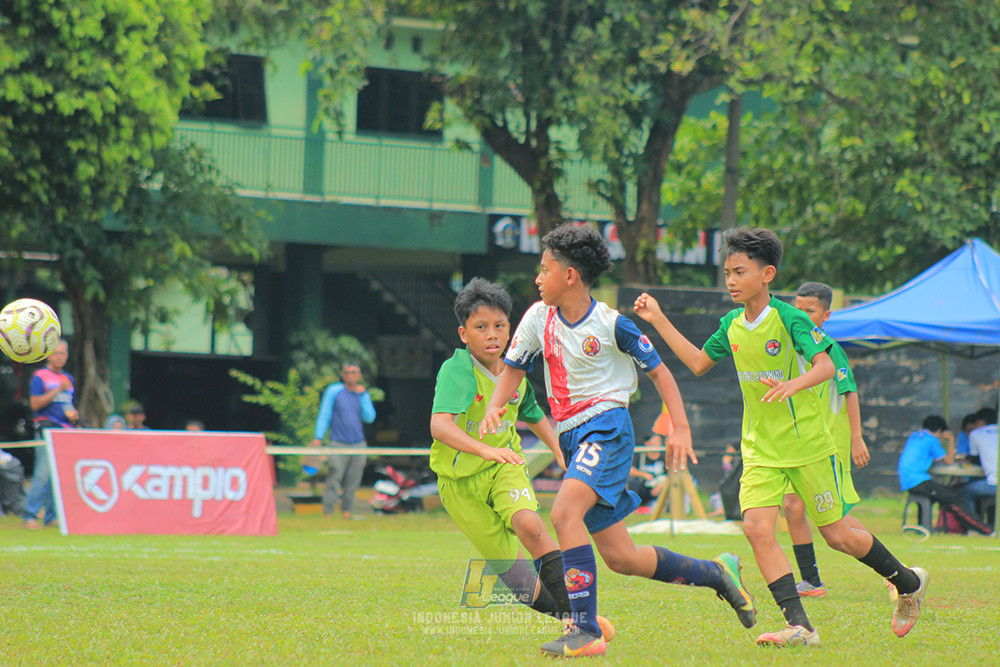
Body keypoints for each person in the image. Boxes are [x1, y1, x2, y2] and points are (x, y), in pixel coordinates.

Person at [634, 227, 928, 647]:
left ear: (766, 273)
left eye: (739, 271)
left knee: (839, 535)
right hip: (760, 448)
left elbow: (826, 367)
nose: (730, 280)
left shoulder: (790, 318)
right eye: (727, 272)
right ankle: (800, 626)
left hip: (807, 446)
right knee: (756, 528)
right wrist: (659, 319)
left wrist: (795, 383)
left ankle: (908, 583)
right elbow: (698, 363)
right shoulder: (731, 324)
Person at [480, 223, 756, 658]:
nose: (537, 278)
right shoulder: (537, 317)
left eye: (544, 268)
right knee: (621, 557)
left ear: (569, 276)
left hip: (606, 428)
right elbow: (514, 367)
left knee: (565, 512)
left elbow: (661, 373)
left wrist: (680, 429)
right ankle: (718, 573)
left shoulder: (613, 325)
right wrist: (497, 405)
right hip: (572, 434)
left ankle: (586, 629)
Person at [429, 277, 614, 640]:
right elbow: (439, 427)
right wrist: (484, 448)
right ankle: (566, 616)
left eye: (500, 326)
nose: (492, 335)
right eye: (481, 327)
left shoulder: (515, 375)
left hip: (504, 468)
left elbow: (534, 415)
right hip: (460, 485)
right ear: (464, 334)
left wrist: (560, 449)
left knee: (531, 526)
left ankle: (581, 621)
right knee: (517, 581)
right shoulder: (458, 370)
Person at [781, 281, 872, 598]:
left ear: (826, 314)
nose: (802, 315)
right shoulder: (790, 345)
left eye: (810, 310)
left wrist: (856, 438)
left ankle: (894, 569)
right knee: (792, 508)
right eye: (797, 309)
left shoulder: (831, 350)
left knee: (838, 518)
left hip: (829, 444)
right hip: (799, 443)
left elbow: (850, 393)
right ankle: (811, 581)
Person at [898, 415, 991, 535]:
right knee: (955, 497)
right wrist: (951, 439)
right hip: (918, 481)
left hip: (908, 481)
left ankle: (925, 526)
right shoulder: (931, 440)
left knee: (948, 493)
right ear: (940, 431)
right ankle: (984, 530)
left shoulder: (915, 436)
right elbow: (949, 461)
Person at [24, 339, 77, 529]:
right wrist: (56, 390)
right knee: (43, 473)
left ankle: (51, 515)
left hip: (64, 430)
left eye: (63, 353)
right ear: (48, 355)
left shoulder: (69, 379)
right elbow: (35, 404)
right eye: (56, 353)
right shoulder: (41, 376)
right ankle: (30, 515)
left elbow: (68, 404)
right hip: (46, 428)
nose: (60, 356)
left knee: (59, 474)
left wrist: (73, 415)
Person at [312, 362, 376, 519]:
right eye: (348, 372)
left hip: (358, 444)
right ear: (342, 375)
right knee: (335, 476)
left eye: (354, 372)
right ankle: (328, 511)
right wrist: (318, 437)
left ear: (359, 376)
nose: (351, 375)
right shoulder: (334, 391)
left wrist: (363, 397)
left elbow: (370, 417)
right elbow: (324, 414)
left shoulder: (362, 394)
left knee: (353, 479)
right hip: (337, 442)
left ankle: (346, 511)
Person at [964, 407, 998, 519]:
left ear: (981, 421)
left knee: (965, 491)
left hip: (994, 484)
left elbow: (974, 458)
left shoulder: (976, 434)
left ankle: (974, 526)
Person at [627, 433, 667, 508]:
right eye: (655, 441)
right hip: (643, 487)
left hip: (659, 488)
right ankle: (634, 507)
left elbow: (670, 475)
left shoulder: (664, 457)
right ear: (647, 443)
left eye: (659, 441)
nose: (658, 444)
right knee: (633, 482)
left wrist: (661, 485)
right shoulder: (640, 456)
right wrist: (643, 474)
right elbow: (629, 470)